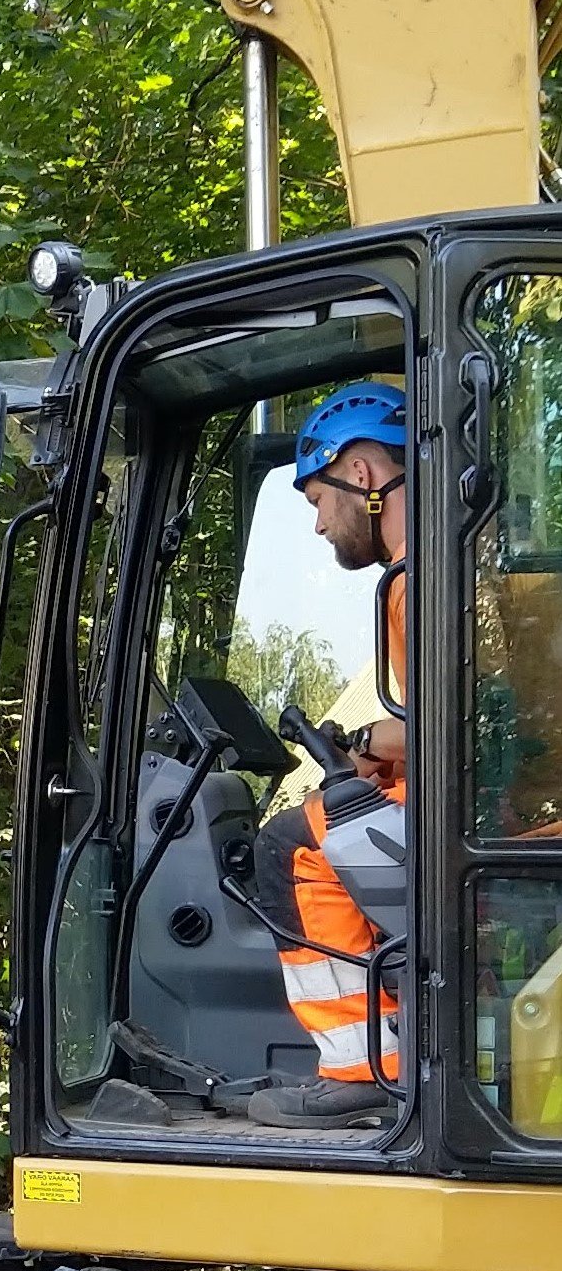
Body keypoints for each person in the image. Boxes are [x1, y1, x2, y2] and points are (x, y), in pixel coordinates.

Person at [250, 380, 409, 1129]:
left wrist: (371, 743)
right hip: (488, 802)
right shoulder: (442, 569)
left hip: (484, 818)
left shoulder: (416, 581)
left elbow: (464, 725)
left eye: (317, 499)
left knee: (290, 845)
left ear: (363, 475)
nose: (317, 525)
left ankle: (360, 1066)